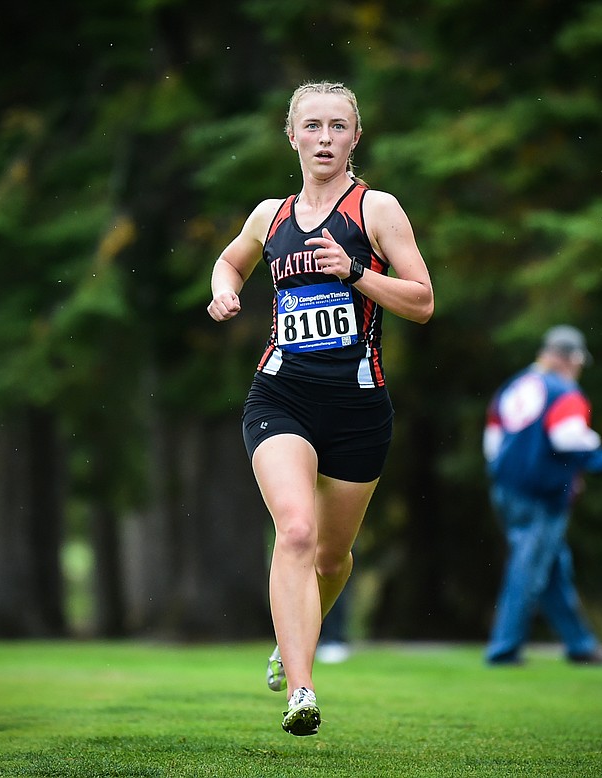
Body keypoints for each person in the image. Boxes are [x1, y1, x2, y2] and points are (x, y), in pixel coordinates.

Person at [206, 81, 434, 736]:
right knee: (296, 531)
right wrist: (224, 292)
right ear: (293, 136)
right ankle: (301, 690)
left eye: (338, 126)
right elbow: (230, 262)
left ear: (355, 138)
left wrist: (355, 272)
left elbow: (422, 301)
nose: (325, 138)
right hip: (282, 394)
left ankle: (294, 637)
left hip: (359, 405)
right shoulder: (268, 216)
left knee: (332, 559)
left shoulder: (377, 210)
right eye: (313, 126)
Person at [482, 325, 602, 667]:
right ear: (569, 359)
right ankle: (503, 649)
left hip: (507, 490)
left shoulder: (514, 385)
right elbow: (568, 437)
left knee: (553, 567)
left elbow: (493, 442)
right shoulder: (563, 391)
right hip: (542, 495)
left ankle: (579, 644)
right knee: (529, 568)